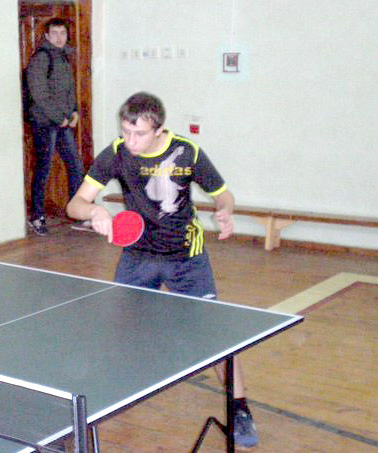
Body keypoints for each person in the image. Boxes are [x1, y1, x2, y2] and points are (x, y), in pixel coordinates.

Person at [67, 92, 258, 449]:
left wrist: (225, 210)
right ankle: (108, 399)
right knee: (119, 330)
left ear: (159, 130)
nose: (130, 141)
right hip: (137, 256)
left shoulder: (187, 153)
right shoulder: (117, 153)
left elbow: (223, 193)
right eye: (125, 131)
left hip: (186, 257)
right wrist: (94, 211)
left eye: (139, 134)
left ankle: (240, 408)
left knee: (214, 338)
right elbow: (75, 203)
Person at [26, 18, 84, 236]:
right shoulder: (41, 58)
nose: (59, 37)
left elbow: (68, 90)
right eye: (55, 33)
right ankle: (37, 216)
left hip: (62, 122)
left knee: (75, 165)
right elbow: (39, 94)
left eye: (63, 33)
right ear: (47, 36)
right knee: (44, 168)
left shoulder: (63, 57)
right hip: (45, 123)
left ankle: (79, 213)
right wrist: (59, 118)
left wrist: (74, 111)